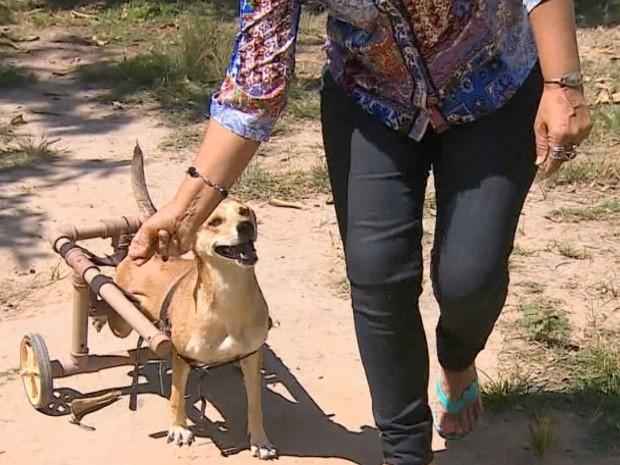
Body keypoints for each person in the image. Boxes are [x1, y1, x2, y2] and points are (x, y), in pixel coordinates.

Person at [128, 0, 592, 464]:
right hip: (372, 99)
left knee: (469, 277)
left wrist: (562, 82)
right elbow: (255, 78)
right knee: (377, 276)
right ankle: (405, 452)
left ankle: (456, 356)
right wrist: (184, 210)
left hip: (494, 82)